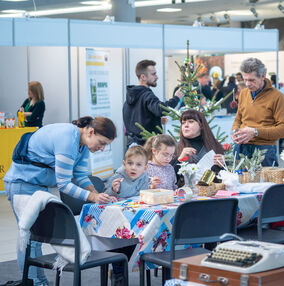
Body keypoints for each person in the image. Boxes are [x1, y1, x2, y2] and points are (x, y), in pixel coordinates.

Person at [4, 116, 118, 285]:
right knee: (31, 239)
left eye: (105, 146)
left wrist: (97, 194)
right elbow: (64, 184)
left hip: (39, 186)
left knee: (37, 239)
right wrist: (92, 197)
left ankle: (38, 282)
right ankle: (33, 282)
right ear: (91, 132)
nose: (102, 148)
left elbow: (79, 176)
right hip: (22, 184)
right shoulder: (67, 138)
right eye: (101, 143)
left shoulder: (83, 145)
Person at [104, 145, 157, 285]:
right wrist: (113, 191)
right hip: (116, 219)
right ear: (124, 164)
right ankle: (117, 272)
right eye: (130, 163)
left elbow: (143, 195)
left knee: (134, 240)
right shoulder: (118, 176)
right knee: (119, 243)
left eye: (138, 165)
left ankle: (119, 270)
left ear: (145, 168)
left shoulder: (144, 177)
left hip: (133, 216)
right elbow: (106, 195)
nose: (133, 168)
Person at [232, 58, 284, 166]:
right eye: (245, 79)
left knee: (266, 183)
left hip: (264, 151)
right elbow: (238, 118)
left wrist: (255, 132)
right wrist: (235, 130)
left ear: (263, 76)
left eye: (251, 80)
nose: (247, 84)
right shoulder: (244, 93)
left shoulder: (277, 97)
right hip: (241, 149)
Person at [123, 60, 184, 147]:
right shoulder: (146, 95)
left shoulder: (130, 97)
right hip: (146, 146)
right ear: (143, 77)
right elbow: (161, 109)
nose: (157, 77)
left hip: (133, 146)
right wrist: (176, 98)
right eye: (153, 74)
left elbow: (139, 119)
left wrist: (157, 120)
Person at [175, 109, 224, 186]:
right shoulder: (175, 147)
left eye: (191, 121)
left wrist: (222, 165)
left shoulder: (215, 145)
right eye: (183, 123)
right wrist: (180, 159)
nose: (186, 125)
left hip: (210, 192)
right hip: (185, 194)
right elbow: (170, 177)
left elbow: (222, 178)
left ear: (201, 125)